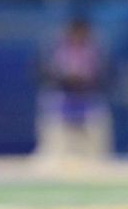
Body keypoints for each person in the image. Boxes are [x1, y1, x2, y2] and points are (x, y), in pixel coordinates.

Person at [35, 16, 112, 163]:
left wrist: (86, 82)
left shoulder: (97, 50)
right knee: (51, 107)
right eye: (75, 33)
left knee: (98, 115)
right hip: (62, 96)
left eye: (82, 34)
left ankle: (98, 158)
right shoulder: (54, 50)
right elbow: (42, 74)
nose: (78, 37)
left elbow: (107, 76)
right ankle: (52, 156)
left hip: (88, 97)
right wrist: (65, 80)